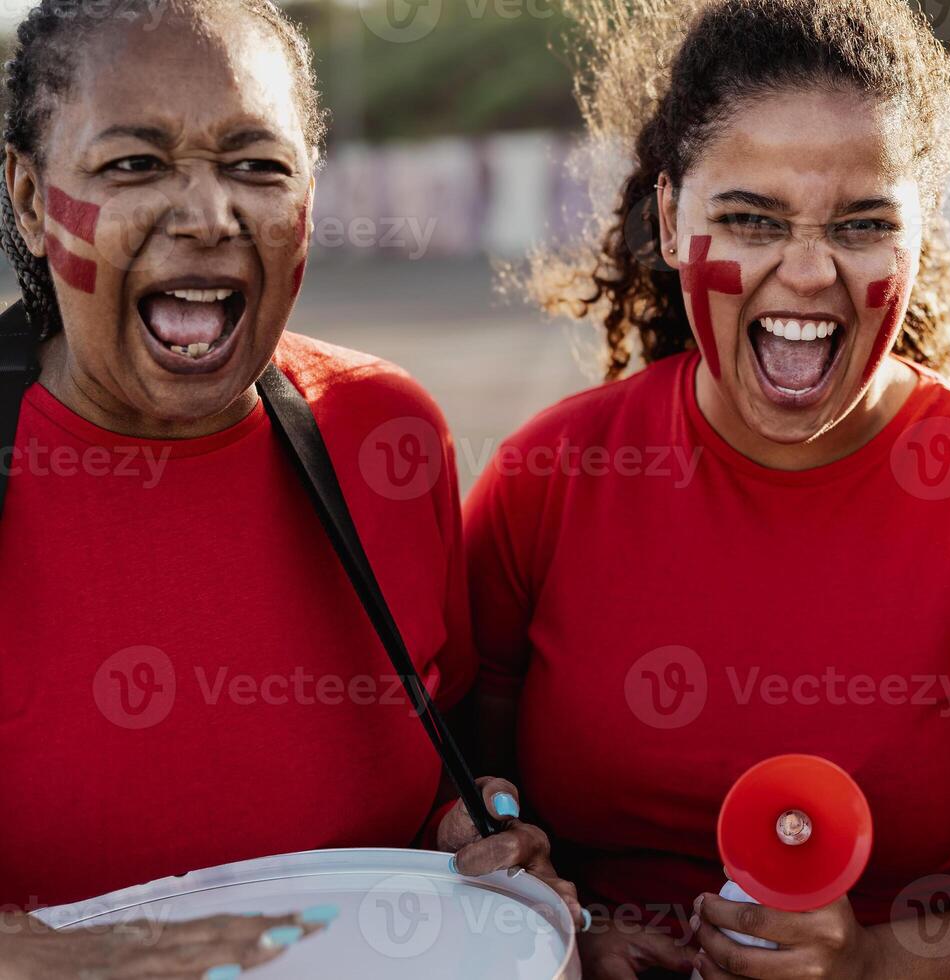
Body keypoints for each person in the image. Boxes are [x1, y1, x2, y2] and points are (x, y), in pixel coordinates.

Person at [464, 1, 950, 978]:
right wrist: (560, 922)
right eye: (748, 218)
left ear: (917, 237)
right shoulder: (546, 482)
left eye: (861, 224)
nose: (806, 272)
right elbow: (469, 801)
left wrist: (872, 961)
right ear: (669, 221)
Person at [0, 3, 565, 976]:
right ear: (27, 196)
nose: (208, 215)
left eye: (258, 166)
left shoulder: (388, 435)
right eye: (134, 164)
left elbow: (433, 766)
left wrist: (467, 837)